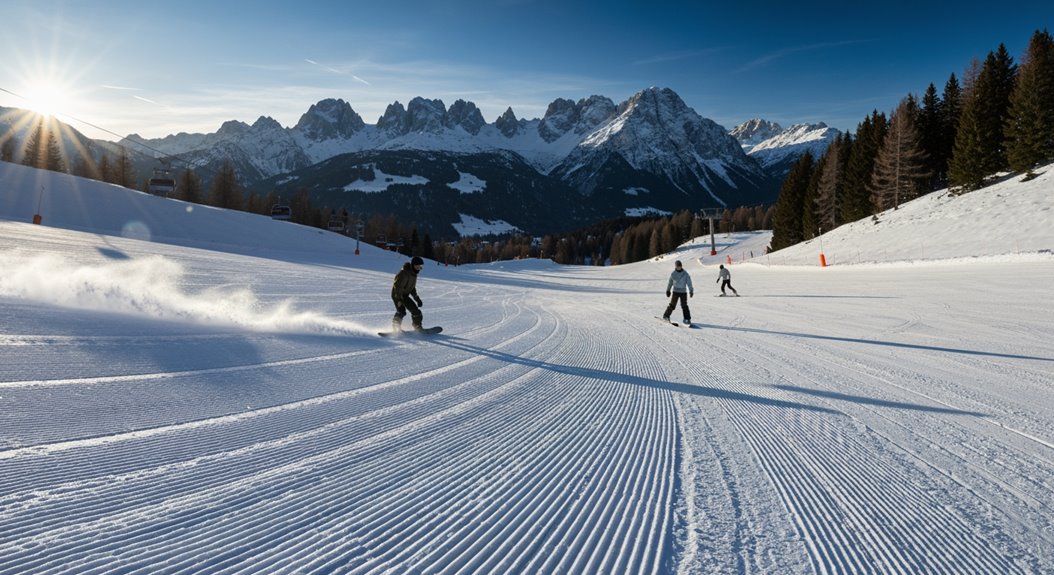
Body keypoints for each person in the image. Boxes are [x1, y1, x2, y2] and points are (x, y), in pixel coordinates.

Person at [392, 256, 426, 331]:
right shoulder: (403, 273)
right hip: (397, 294)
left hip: (405, 295)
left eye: (420, 267)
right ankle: (396, 327)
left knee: (416, 311)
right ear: (413, 265)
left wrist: (417, 298)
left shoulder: (414, 274)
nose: (419, 268)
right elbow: (397, 286)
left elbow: (412, 288)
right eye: (417, 266)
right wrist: (399, 300)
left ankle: (417, 326)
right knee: (401, 311)